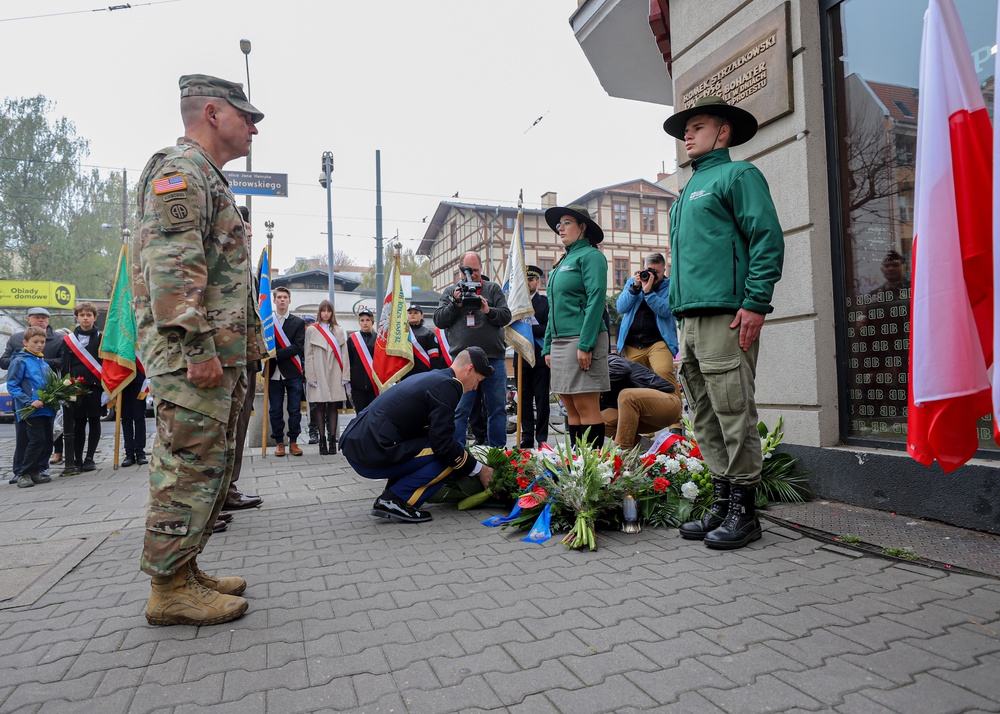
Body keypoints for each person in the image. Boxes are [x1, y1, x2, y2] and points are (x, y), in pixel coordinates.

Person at [132, 73, 268, 626]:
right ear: (213, 113)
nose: (256, 124)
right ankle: (167, 589)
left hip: (215, 353)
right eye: (246, 114)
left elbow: (220, 276)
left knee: (210, 465)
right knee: (188, 464)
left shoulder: (206, 177)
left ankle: (184, 569)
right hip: (193, 357)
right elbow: (173, 269)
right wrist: (197, 348)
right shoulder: (181, 172)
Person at [663, 95, 784, 550]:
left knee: (734, 411)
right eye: (684, 130)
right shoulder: (687, 192)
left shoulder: (739, 175)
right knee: (705, 414)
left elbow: (766, 238)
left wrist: (756, 302)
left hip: (727, 317)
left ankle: (744, 512)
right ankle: (721, 499)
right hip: (690, 321)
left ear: (723, 132)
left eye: (696, 126)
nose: (686, 135)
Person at [340, 347, 496, 523]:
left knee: (443, 449)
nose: (475, 387)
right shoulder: (449, 386)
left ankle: (394, 492)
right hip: (371, 452)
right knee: (450, 457)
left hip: (361, 445)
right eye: (478, 380)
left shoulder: (435, 377)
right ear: (469, 369)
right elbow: (443, 446)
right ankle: (397, 499)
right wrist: (479, 469)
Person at [541, 204, 610, 449]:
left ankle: (593, 468)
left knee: (586, 405)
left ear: (583, 227)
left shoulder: (591, 256)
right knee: (570, 406)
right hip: (561, 343)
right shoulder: (563, 262)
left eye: (566, 222)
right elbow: (553, 306)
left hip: (581, 339)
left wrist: (586, 343)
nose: (560, 228)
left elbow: (596, 299)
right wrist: (548, 346)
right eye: (559, 224)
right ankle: (578, 467)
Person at [433, 252, 511, 447]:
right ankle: (457, 454)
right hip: (463, 363)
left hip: (493, 358)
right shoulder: (451, 292)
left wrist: (487, 310)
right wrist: (455, 304)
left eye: (476, 270)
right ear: (460, 270)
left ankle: (497, 454)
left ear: (481, 268)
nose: (473, 275)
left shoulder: (492, 289)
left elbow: (506, 316)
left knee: (497, 409)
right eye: (468, 270)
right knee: (460, 409)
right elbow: (439, 320)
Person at [223, 204, 264, 514]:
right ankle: (210, 496)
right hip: (222, 358)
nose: (248, 233)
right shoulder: (217, 261)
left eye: (249, 229)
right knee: (217, 429)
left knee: (236, 428)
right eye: (242, 227)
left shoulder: (246, 265)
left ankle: (228, 488)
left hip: (246, 359)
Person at [2, 307, 63, 484]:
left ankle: (37, 470)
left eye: (42, 342)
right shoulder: (20, 360)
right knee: (34, 441)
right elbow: (13, 385)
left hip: (46, 408)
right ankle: (23, 473)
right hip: (30, 408)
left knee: (46, 443)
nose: (39, 345)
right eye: (35, 342)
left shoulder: (42, 361)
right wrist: (29, 401)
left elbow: (47, 383)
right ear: (25, 342)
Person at [616, 252, 679, 384]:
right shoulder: (633, 283)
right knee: (634, 382)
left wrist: (649, 292)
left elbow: (667, 310)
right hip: (633, 344)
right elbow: (621, 307)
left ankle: (672, 403)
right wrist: (635, 288)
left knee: (664, 373)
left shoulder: (670, 286)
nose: (653, 275)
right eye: (650, 270)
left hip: (658, 342)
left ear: (664, 270)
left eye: (657, 272)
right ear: (644, 268)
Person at [601, 355, 681, 449]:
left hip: (667, 403)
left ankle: (623, 450)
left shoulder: (608, 360)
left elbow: (623, 369)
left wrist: (594, 382)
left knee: (627, 395)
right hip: (640, 417)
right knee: (600, 420)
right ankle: (648, 447)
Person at [60, 302, 103, 473]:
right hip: (75, 387)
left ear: (94, 317)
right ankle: (77, 458)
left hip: (95, 385)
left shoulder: (101, 337)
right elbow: (65, 364)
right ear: (77, 318)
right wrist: (64, 386)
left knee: (94, 420)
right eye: (82, 315)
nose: (86, 318)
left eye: (89, 315)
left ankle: (90, 458)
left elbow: (105, 362)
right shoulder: (69, 340)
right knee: (78, 423)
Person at [512, 265, 550, 448]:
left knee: (542, 400)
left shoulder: (545, 303)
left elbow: (547, 328)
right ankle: (527, 436)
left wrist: (527, 329)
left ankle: (542, 438)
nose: (528, 283)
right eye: (525, 280)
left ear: (538, 282)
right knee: (524, 400)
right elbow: (510, 328)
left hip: (540, 356)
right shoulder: (516, 304)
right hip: (521, 357)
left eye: (531, 280)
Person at [304, 300, 350, 455]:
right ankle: (321, 440)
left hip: (335, 371)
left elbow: (345, 355)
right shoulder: (312, 331)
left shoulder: (339, 330)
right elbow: (308, 355)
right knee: (320, 406)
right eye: (323, 310)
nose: (325, 313)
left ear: (332, 312)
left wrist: (345, 376)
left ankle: (332, 440)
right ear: (319, 312)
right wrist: (310, 376)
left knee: (333, 406)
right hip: (318, 371)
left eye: (328, 310)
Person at [267, 286, 306, 456]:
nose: (282, 300)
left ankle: (294, 442)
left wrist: (275, 355)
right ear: (274, 300)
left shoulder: (298, 322)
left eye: (285, 297)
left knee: (294, 410)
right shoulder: (266, 322)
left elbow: (297, 347)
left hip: (293, 372)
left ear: (289, 301)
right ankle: (279, 442)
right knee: (275, 410)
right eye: (279, 297)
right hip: (273, 372)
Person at [346, 308, 378, 413]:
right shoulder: (352, 339)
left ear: (372, 321)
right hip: (357, 384)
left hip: (374, 384)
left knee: (373, 412)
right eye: (362, 320)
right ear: (359, 322)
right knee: (360, 413)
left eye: (368, 320)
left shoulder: (378, 339)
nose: (365, 323)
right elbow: (348, 361)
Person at [119, 358, 148, 467]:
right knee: (126, 418)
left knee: (139, 417)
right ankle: (129, 454)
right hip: (122, 378)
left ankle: (140, 453)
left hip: (138, 378)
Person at [403, 304, 444, 378]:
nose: (412, 315)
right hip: (405, 373)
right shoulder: (401, 334)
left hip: (423, 373)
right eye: (410, 313)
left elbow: (434, 357)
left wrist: (433, 375)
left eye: (415, 313)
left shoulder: (428, 333)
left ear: (422, 316)